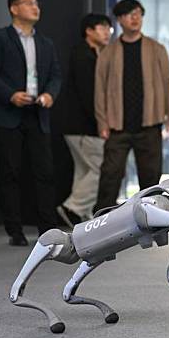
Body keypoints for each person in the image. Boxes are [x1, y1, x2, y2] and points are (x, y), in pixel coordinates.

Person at [0, 0, 61, 246]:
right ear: (14, 9)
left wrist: (49, 94)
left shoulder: (46, 43)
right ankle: (14, 230)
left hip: (38, 113)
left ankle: (47, 229)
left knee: (45, 173)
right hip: (7, 114)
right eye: (29, 3)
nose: (36, 7)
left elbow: (55, 75)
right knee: (10, 173)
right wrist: (11, 95)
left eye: (37, 3)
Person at [94, 0, 169, 213]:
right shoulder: (108, 52)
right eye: (130, 14)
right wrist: (102, 122)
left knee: (150, 179)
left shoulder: (156, 49)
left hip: (149, 123)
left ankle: (153, 223)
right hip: (117, 125)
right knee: (110, 176)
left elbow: (168, 85)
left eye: (139, 14)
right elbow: (100, 90)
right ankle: (102, 224)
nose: (135, 18)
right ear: (120, 19)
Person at [57, 13, 112, 227]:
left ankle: (81, 216)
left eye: (109, 28)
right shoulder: (84, 56)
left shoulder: (93, 54)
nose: (107, 32)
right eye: (102, 27)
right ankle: (73, 208)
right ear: (89, 31)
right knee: (100, 167)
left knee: (84, 171)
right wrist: (102, 123)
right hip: (83, 126)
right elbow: (89, 95)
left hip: (77, 126)